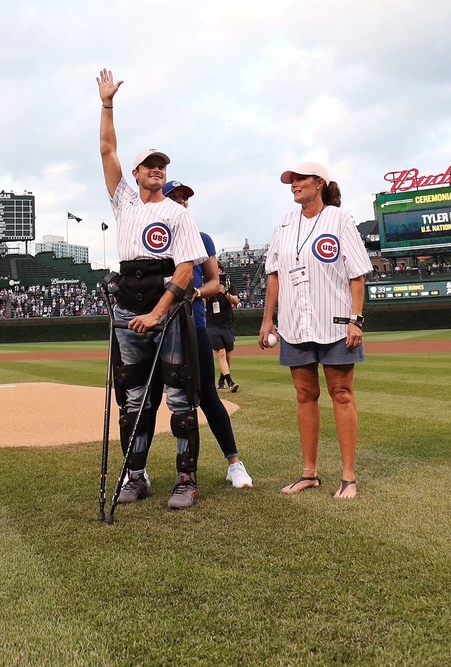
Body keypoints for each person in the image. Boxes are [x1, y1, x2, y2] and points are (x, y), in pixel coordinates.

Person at [98, 68, 208, 509]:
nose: (158, 170)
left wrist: (159, 313)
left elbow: (184, 272)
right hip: (127, 307)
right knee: (133, 400)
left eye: (164, 166)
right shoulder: (123, 201)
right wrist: (107, 104)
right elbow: (107, 148)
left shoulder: (179, 214)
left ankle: (186, 478)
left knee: (180, 395)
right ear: (138, 172)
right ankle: (136, 476)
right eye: (151, 165)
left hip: (166, 311)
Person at [258, 161, 372, 500]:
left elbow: (357, 274)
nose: (293, 185)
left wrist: (357, 319)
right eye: (290, 181)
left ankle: (348, 476)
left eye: (299, 179)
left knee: (342, 393)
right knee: (304, 395)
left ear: (319, 182)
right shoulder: (284, 222)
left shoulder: (340, 219)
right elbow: (274, 274)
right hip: (295, 323)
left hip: (336, 321)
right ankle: (309, 472)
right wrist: (267, 320)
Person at [138, 180, 253, 488]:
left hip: (194, 327)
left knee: (207, 396)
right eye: (174, 197)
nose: (181, 202)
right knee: (148, 399)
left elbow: (216, 282)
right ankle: (137, 471)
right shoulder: (150, 240)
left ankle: (234, 463)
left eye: (184, 198)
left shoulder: (201, 239)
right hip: (157, 329)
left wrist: (196, 293)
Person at [206, 263, 242, 391]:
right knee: (220, 353)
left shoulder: (228, 283)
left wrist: (224, 292)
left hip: (227, 324)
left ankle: (221, 380)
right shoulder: (207, 283)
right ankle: (230, 382)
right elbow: (203, 300)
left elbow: (236, 300)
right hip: (212, 325)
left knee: (228, 354)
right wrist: (211, 290)